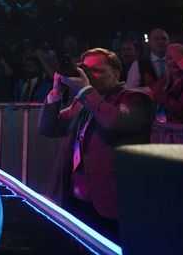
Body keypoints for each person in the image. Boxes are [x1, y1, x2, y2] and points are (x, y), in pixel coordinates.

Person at [38, 48, 154, 239]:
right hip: (77, 199)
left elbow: (115, 122)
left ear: (116, 74)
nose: (88, 75)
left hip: (114, 204)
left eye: (96, 70)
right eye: (85, 69)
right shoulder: (84, 101)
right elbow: (48, 128)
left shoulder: (135, 98)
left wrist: (85, 90)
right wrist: (56, 91)